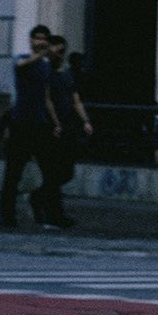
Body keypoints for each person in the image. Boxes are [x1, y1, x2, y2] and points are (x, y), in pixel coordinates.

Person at [0, 24, 60, 228]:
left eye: (44, 38)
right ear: (31, 40)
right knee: (13, 172)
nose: (41, 42)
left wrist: (55, 122)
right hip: (21, 123)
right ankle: (7, 215)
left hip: (40, 124)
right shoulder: (22, 58)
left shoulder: (45, 66)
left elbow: (46, 96)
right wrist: (40, 55)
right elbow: (20, 66)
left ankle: (44, 209)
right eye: (38, 38)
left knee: (50, 171)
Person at [38, 35, 93, 228]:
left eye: (61, 51)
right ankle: (53, 214)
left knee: (65, 171)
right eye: (55, 51)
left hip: (67, 127)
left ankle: (40, 198)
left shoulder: (67, 74)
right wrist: (56, 123)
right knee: (53, 172)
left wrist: (85, 120)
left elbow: (76, 100)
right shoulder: (45, 73)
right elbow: (47, 100)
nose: (58, 55)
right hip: (51, 128)